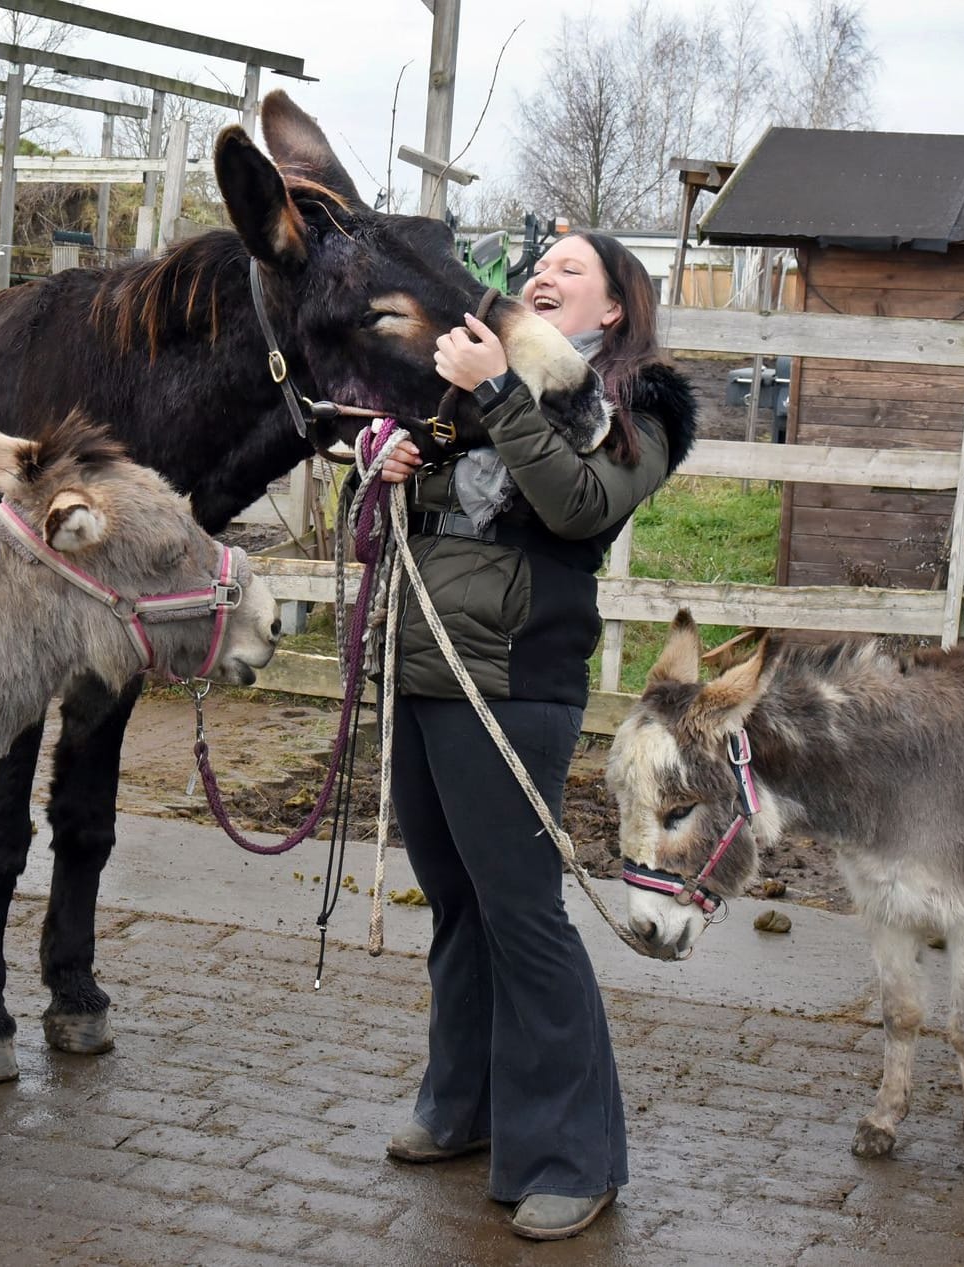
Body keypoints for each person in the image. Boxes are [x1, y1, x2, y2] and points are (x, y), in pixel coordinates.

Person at [375, 232, 696, 1241]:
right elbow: (437, 511)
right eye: (538, 263)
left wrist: (498, 394)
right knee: (458, 903)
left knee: (521, 914)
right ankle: (462, 1105)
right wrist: (390, 457)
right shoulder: (468, 382)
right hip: (421, 662)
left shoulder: (636, 407)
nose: (542, 273)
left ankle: (572, 1154)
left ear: (610, 309)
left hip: (513, 676)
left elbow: (575, 505)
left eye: (571, 266)